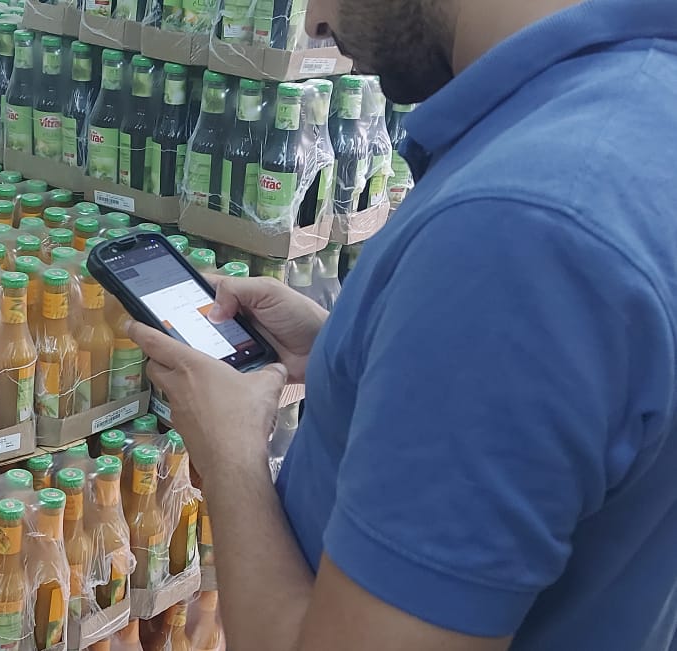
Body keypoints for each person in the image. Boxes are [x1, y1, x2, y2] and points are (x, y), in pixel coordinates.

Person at [129, 0, 677, 649]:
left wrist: (229, 454)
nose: (313, 24)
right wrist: (355, 348)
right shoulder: (634, 96)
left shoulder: (516, 232)